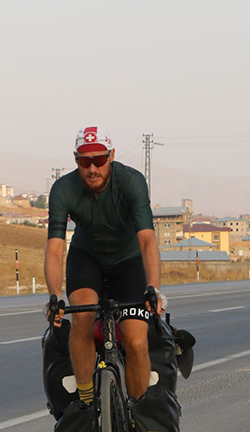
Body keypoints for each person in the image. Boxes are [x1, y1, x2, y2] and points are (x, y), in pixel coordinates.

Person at [45, 126, 165, 403]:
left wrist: (153, 287)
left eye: (99, 160)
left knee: (136, 340)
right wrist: (54, 295)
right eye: (84, 161)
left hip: (129, 261)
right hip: (86, 259)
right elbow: (55, 248)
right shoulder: (63, 189)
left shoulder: (131, 181)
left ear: (111, 156)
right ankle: (87, 400)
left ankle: (138, 409)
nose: (92, 169)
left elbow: (147, 239)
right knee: (82, 318)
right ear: (76, 160)